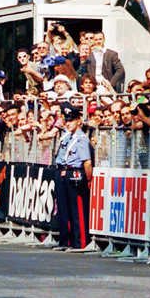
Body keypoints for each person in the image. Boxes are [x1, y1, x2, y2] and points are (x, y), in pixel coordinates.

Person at [54, 102, 92, 249]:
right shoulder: (67, 136)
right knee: (64, 208)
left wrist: (89, 179)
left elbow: (87, 162)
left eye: (71, 120)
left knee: (77, 210)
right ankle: (66, 241)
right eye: (66, 120)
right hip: (63, 171)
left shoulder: (81, 139)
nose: (68, 123)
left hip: (75, 173)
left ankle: (80, 242)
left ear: (78, 121)